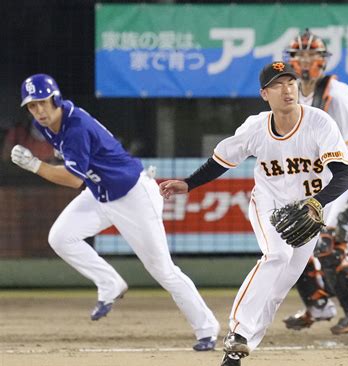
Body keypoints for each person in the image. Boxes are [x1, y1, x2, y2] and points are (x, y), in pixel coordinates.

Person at [159, 61, 348, 366]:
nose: (287, 88)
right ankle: (237, 331)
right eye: (278, 84)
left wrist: (317, 204)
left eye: (290, 82)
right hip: (270, 205)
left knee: (276, 292)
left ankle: (236, 353)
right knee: (276, 255)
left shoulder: (319, 123)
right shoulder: (255, 128)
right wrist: (189, 183)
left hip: (308, 214)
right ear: (265, 94)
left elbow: (346, 174)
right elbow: (222, 160)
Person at [10, 73, 220, 351]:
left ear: (55, 99)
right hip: (102, 194)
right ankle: (109, 283)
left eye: (42, 103)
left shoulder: (74, 126)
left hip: (133, 196)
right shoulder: (49, 124)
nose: (38, 110)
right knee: (61, 237)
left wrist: (36, 166)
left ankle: (207, 329)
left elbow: (74, 179)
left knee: (163, 270)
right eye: (32, 106)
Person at [281, 29, 348, 335]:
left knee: (329, 244)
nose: (304, 60)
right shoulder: (292, 96)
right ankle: (319, 306)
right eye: (299, 54)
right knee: (293, 238)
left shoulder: (336, 95)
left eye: (311, 54)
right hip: (327, 179)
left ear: (322, 61)